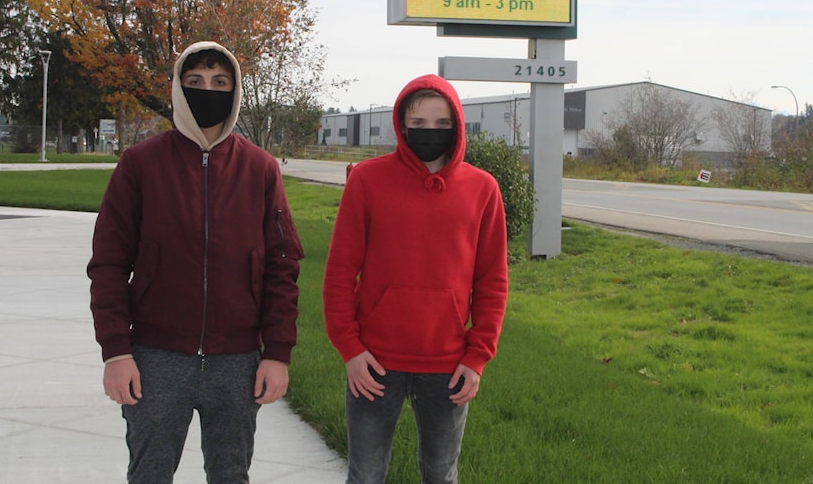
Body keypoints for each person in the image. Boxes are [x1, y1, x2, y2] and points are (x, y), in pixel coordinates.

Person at [87, 40, 304, 483]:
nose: (208, 90)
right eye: (196, 82)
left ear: (236, 90)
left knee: (230, 476)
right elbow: (108, 263)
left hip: (238, 361)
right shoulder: (140, 164)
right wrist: (116, 352)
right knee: (148, 475)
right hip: (155, 358)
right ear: (178, 90)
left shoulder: (261, 169)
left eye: (220, 82)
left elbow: (283, 264)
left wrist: (277, 353)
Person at [323, 74, 509, 484]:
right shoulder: (367, 181)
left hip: (448, 366)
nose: (430, 132)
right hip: (373, 363)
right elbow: (338, 271)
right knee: (366, 474)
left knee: (441, 475)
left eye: (441, 124)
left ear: (457, 126)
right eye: (419, 124)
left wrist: (477, 356)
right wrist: (349, 349)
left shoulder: (483, 189)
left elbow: (492, 281)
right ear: (401, 124)